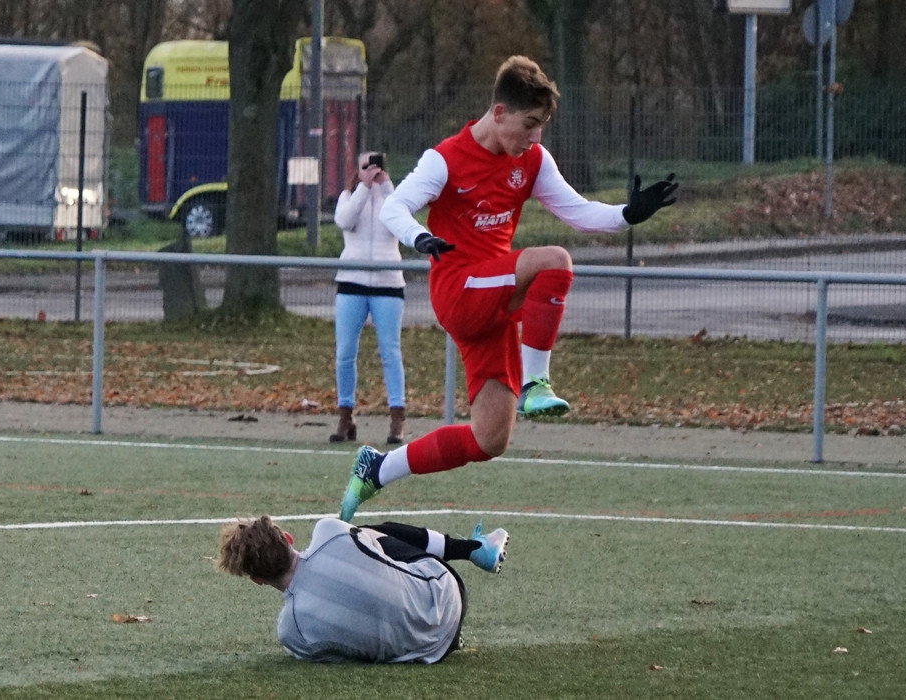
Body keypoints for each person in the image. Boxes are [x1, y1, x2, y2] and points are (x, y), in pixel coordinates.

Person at [339, 55, 677, 522]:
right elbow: (396, 207)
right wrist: (418, 237)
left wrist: (627, 214)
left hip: (494, 297)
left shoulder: (532, 160)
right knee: (554, 262)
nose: (535, 137)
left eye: (542, 127)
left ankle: (377, 469)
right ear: (499, 113)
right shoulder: (445, 159)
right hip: (459, 289)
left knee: (490, 438)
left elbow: (578, 211)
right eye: (529, 124)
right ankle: (536, 382)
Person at [217, 515, 509, 664]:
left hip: (430, 652)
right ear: (287, 537)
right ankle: (473, 549)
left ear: (256, 580)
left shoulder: (291, 633)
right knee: (366, 533)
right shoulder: (328, 531)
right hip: (447, 593)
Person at [329, 151, 407, 445]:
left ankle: (397, 418)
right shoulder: (349, 197)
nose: (371, 171)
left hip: (388, 282)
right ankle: (345, 416)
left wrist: (385, 187)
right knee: (345, 352)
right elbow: (344, 221)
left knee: (390, 351)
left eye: (376, 166)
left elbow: (400, 224)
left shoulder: (392, 197)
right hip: (352, 281)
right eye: (365, 167)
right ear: (357, 170)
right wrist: (363, 187)